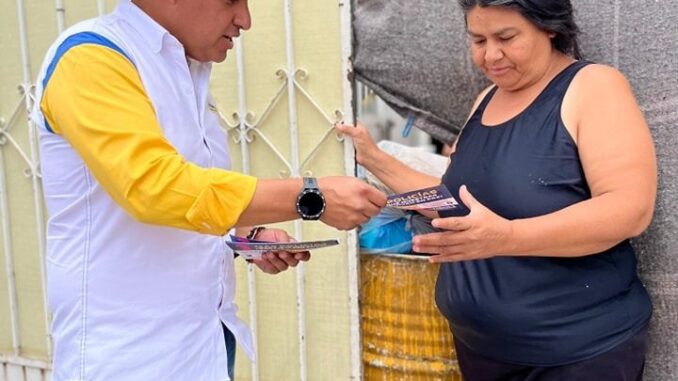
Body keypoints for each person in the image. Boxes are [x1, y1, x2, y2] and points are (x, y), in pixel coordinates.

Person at [30, 0, 386, 380]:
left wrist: (248, 236)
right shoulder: (90, 59)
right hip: (129, 358)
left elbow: (189, 200)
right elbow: (156, 188)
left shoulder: (186, 70)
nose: (244, 20)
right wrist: (313, 196)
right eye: (232, 0)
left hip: (205, 347)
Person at [337, 0, 657, 379]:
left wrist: (507, 237)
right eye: (478, 40)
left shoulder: (593, 86)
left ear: (549, 27)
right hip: (482, 351)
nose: (491, 55)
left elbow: (629, 209)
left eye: (506, 37)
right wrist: (372, 158)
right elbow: (456, 203)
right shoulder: (485, 100)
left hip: (576, 353)